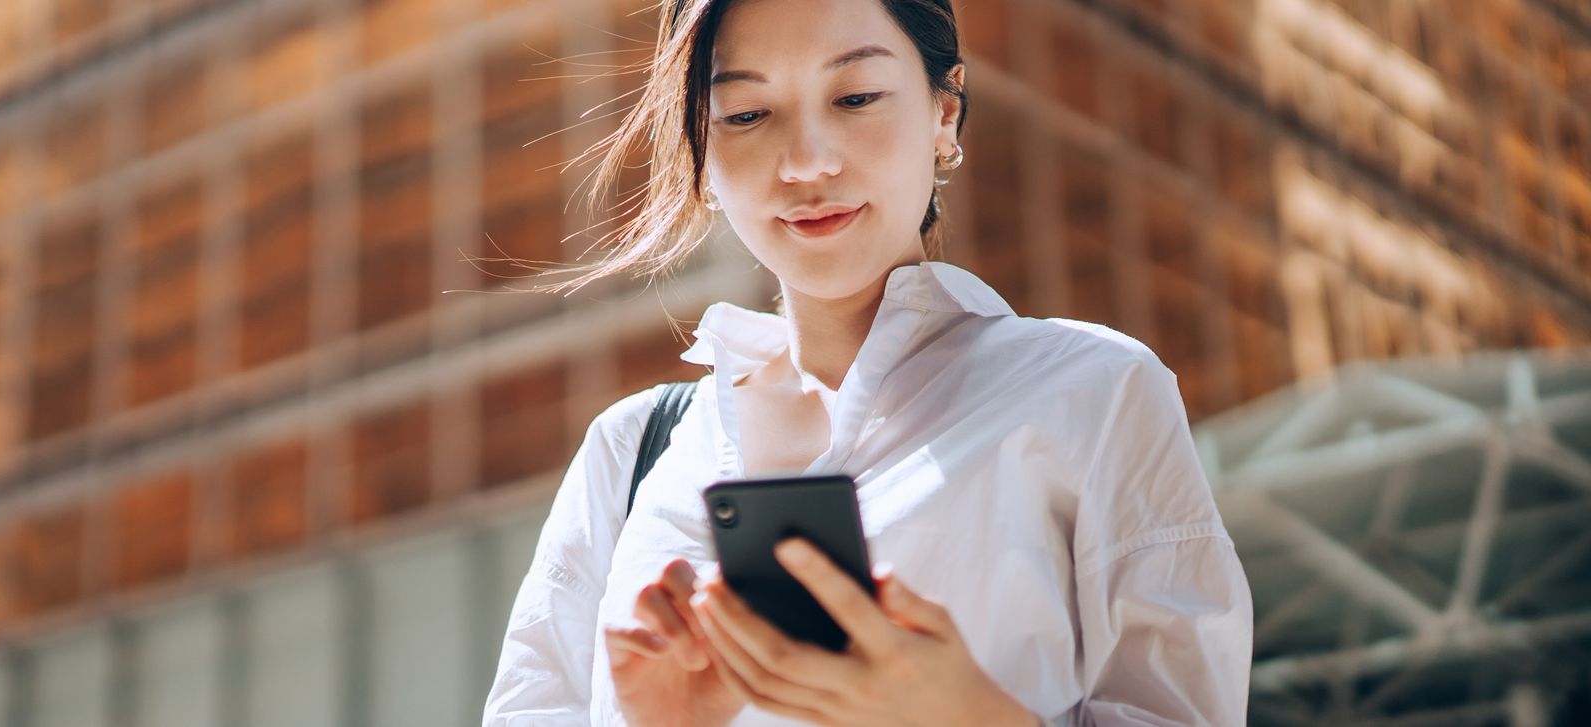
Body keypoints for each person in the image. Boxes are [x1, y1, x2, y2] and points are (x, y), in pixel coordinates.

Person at [482, 0, 1253, 724]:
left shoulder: (1095, 391)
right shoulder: (633, 452)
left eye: (855, 98)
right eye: (746, 114)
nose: (807, 164)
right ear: (702, 151)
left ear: (944, 111)